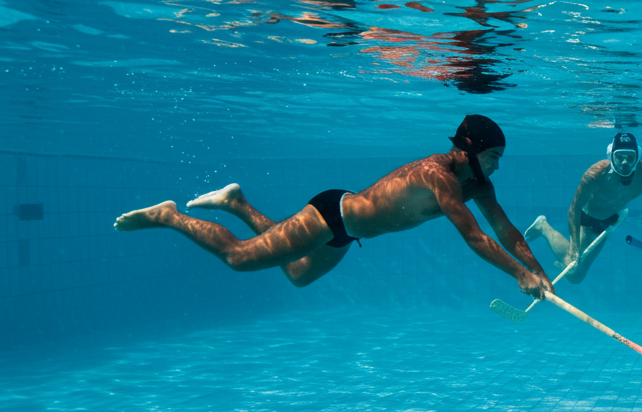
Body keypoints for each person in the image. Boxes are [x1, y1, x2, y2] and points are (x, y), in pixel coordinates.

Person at [114, 115, 553, 298]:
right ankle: (168, 215)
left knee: (298, 274)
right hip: (330, 214)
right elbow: (474, 236)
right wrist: (518, 275)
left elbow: (506, 230)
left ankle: (236, 202)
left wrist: (538, 270)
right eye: (494, 157)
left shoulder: (477, 184)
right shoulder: (438, 177)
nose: (497, 168)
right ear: (470, 150)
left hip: (347, 232)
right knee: (239, 259)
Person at [524, 132, 642, 283]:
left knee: (576, 276)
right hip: (587, 219)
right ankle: (543, 226)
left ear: (637, 156)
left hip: (609, 222)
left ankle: (559, 252)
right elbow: (574, 209)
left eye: (630, 157)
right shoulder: (595, 174)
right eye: (619, 157)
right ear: (611, 156)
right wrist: (575, 246)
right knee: (575, 273)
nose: (624, 163)